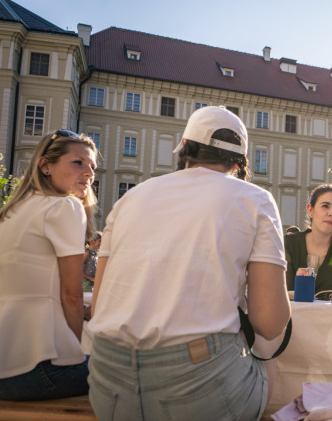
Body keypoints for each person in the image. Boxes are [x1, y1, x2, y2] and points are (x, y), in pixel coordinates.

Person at [87, 106, 290, 420]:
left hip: (107, 384)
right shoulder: (255, 199)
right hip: (199, 388)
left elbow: (99, 306)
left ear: (183, 148)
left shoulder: (130, 198)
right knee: (266, 351)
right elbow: (270, 322)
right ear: (238, 162)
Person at [0, 129, 97, 400]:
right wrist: (74, 352)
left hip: (7, 366)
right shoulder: (64, 207)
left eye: (92, 166)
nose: (89, 173)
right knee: (136, 372)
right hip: (37, 368)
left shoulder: (13, 210)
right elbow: (71, 296)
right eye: (78, 163)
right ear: (46, 166)